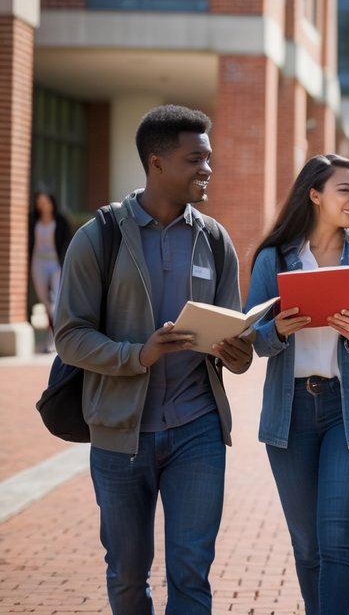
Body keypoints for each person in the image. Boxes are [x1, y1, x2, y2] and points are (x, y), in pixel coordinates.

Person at [54, 104, 253, 614]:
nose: (207, 168)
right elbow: (70, 336)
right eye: (195, 159)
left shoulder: (214, 239)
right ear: (156, 162)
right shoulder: (99, 237)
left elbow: (235, 339)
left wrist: (237, 351)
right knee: (126, 573)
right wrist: (136, 354)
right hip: (122, 432)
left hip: (198, 429)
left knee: (191, 572)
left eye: (208, 158)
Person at [245, 154, 349, 615]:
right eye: (344, 190)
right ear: (314, 195)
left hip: (347, 410)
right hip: (289, 412)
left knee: (336, 542)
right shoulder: (274, 258)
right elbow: (252, 336)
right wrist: (277, 330)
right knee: (308, 546)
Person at [28, 190, 71, 351]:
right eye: (39, 203)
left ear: (51, 203)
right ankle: (51, 337)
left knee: (55, 300)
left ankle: (57, 338)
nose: (43, 206)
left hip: (55, 264)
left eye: (45, 202)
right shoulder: (33, 220)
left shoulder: (61, 221)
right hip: (37, 263)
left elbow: (67, 242)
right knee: (46, 302)